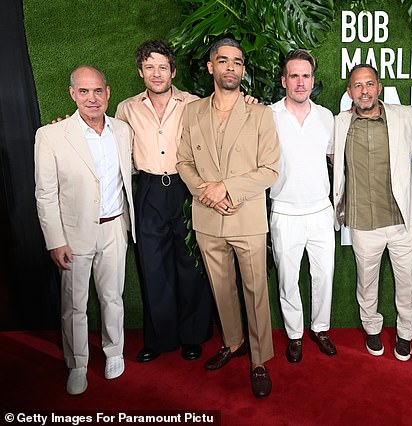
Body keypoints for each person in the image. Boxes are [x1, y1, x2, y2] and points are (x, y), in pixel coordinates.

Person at [176, 38, 280, 398]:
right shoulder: (193, 112)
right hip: (207, 218)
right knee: (222, 289)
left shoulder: (260, 114)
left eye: (237, 62)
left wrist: (227, 189)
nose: (231, 67)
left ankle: (260, 360)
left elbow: (270, 170)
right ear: (211, 67)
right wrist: (205, 192)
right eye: (224, 61)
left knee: (255, 291)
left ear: (243, 69)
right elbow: (183, 162)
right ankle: (233, 342)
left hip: (246, 216)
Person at [34, 65, 135, 395]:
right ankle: (77, 364)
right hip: (73, 235)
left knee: (112, 297)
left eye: (97, 91)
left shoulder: (123, 130)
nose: (91, 98)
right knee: (74, 305)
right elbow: (45, 193)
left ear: (107, 93)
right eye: (83, 91)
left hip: (114, 228)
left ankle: (114, 352)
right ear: (72, 94)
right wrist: (55, 240)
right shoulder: (50, 135)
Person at [115, 40, 214, 363]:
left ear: (172, 71)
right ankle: (159, 338)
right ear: (140, 72)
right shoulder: (126, 109)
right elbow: (112, 149)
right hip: (148, 189)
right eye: (148, 67)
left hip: (185, 188)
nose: (156, 74)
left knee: (190, 266)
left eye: (162, 67)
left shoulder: (194, 103)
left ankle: (192, 336)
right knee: (153, 267)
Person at [331, 64, 412, 361]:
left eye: (369, 84)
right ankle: (371, 327)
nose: (364, 91)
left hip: (402, 222)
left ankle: (405, 334)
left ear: (379, 87)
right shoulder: (339, 123)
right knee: (366, 282)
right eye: (357, 86)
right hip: (362, 223)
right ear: (349, 93)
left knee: (408, 283)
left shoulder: (406, 116)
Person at [270, 49, 337, 364]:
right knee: (288, 277)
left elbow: (336, 160)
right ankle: (295, 334)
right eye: (294, 76)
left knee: (324, 275)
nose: (300, 82)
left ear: (313, 80)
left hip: (321, 211)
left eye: (306, 76)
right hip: (284, 211)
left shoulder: (326, 117)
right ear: (284, 80)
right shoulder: (267, 116)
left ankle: (320, 328)